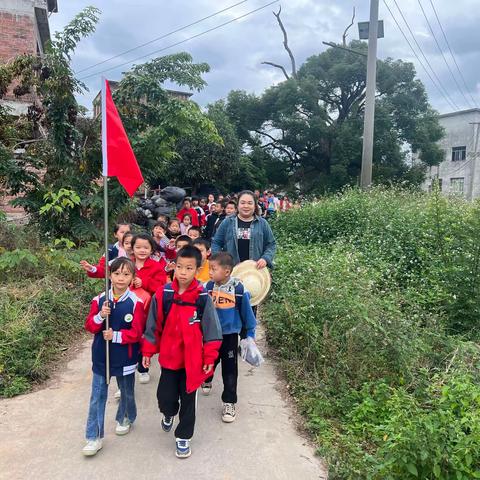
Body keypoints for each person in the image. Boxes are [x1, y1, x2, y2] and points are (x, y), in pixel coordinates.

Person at [141, 246, 222, 459]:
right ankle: (168, 413)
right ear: (173, 267)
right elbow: (152, 326)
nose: (183, 272)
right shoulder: (164, 294)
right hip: (169, 359)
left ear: (198, 269)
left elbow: (212, 330)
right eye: (179, 267)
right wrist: (148, 351)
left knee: (188, 402)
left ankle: (183, 436)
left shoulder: (202, 297)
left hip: (192, 361)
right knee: (165, 398)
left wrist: (209, 357)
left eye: (189, 268)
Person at [82, 257, 145, 457]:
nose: (120, 278)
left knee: (126, 391)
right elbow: (90, 326)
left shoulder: (136, 302)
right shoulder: (99, 299)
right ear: (110, 275)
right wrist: (101, 316)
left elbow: (137, 333)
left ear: (133, 278)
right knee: (97, 397)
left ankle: (126, 416)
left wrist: (116, 336)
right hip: (102, 356)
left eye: (126, 274)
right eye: (117, 273)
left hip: (125, 357)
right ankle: (94, 436)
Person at [202, 252, 256, 422]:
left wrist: (250, 336)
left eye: (213, 269)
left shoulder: (239, 290)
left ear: (227, 272)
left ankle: (229, 402)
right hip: (210, 335)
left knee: (230, 370)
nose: (210, 272)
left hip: (230, 336)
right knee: (208, 361)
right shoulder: (207, 287)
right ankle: (206, 379)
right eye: (210, 269)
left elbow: (248, 315)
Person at [131, 233, 168, 384]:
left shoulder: (156, 266)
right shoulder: (126, 264)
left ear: (152, 249)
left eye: (146, 247)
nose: (142, 250)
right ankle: (127, 372)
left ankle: (143, 368)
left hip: (148, 311)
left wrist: (144, 282)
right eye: (138, 247)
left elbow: (161, 287)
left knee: (143, 337)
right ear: (132, 248)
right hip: (128, 309)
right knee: (129, 337)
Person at [211, 190, 276, 269]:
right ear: (237, 205)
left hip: (255, 271)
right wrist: (221, 260)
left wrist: (265, 258)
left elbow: (271, 244)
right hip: (231, 270)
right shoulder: (227, 222)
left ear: (255, 205)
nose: (246, 206)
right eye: (242, 203)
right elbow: (216, 243)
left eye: (250, 203)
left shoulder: (262, 223)